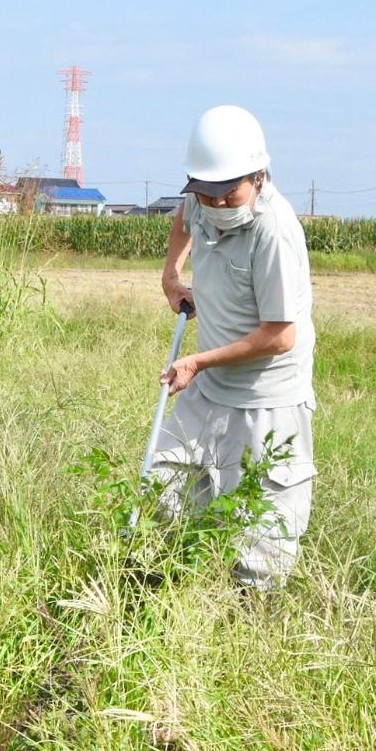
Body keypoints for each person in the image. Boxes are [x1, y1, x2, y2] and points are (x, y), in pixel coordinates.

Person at [149, 105, 316, 591]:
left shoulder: (275, 231)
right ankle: (173, 592)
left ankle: (252, 623)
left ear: (259, 175)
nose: (218, 204)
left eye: (229, 193)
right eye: (207, 192)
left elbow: (279, 335)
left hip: (268, 398)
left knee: (262, 539)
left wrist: (198, 361)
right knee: (162, 491)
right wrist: (170, 277)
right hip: (209, 387)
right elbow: (184, 217)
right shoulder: (200, 200)